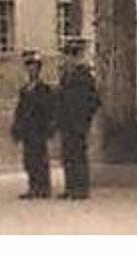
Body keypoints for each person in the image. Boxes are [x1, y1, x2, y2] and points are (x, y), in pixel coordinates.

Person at [56, 37, 100, 199]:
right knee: (68, 155)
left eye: (70, 55)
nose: (67, 58)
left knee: (78, 155)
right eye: (66, 55)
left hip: (78, 123)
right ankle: (70, 187)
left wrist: (85, 119)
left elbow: (94, 100)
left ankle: (81, 189)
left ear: (77, 57)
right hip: (66, 122)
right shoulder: (65, 76)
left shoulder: (84, 75)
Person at [11, 51, 55, 199]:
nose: (31, 70)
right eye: (29, 67)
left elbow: (49, 110)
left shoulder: (44, 89)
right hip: (27, 130)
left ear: (39, 70)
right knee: (29, 159)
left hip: (39, 129)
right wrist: (16, 128)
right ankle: (33, 186)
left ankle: (44, 187)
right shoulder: (24, 89)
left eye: (34, 67)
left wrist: (49, 127)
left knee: (40, 158)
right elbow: (20, 110)